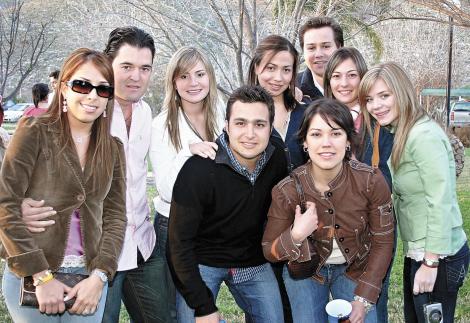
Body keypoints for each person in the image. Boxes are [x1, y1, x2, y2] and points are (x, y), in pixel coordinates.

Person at [20, 26, 165, 323]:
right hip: (94, 256)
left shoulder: (146, 113)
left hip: (142, 245)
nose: (136, 76)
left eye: (145, 68)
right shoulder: (82, 111)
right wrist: (20, 204)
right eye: (126, 66)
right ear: (107, 65)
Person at [0, 48, 127, 322]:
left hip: (89, 284)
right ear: (63, 88)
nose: (92, 95)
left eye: (103, 89)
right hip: (31, 277)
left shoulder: (113, 148)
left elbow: (116, 218)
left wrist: (100, 276)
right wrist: (42, 278)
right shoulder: (34, 131)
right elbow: (5, 204)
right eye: (82, 85)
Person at [262, 98, 394, 323]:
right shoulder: (287, 190)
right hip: (307, 271)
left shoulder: (371, 181)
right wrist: (295, 235)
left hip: (356, 267)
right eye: (316, 134)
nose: (326, 143)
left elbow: (383, 242)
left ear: (348, 140)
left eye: (335, 133)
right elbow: (269, 250)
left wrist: (364, 298)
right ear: (304, 141)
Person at [359, 62, 469, 323]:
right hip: (419, 251)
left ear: (402, 92)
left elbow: (440, 201)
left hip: (437, 256)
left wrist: (430, 264)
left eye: (384, 96)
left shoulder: (423, 135)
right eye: (369, 99)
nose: (376, 106)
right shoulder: (402, 132)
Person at [168, 86, 288, 323]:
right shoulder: (198, 170)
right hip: (203, 261)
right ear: (226, 125)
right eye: (240, 123)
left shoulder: (277, 161)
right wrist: (203, 306)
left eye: (259, 124)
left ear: (271, 127)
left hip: (252, 260)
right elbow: (178, 245)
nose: (250, 134)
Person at [149, 46, 224, 322]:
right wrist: (188, 152)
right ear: (173, 82)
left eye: (200, 74)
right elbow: (166, 189)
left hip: (213, 225)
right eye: (184, 76)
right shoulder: (162, 125)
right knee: (180, 310)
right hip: (174, 226)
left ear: (210, 77)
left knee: (203, 303)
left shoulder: (223, 114)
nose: (193, 83)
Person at [323, 47, 395, 322]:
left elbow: (386, 180)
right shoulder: (321, 118)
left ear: (363, 77)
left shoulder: (379, 124)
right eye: (337, 76)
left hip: (372, 231)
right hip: (330, 237)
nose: (344, 83)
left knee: (373, 302)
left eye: (352, 75)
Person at [247, 34, 307, 171]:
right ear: (257, 67)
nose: (278, 78)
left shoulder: (306, 114)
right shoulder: (240, 114)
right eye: (271, 68)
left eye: (286, 70)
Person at [296, 16, 343, 101]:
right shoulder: (291, 89)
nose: (318, 54)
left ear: (340, 48)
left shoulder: (361, 86)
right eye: (311, 48)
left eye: (326, 46)